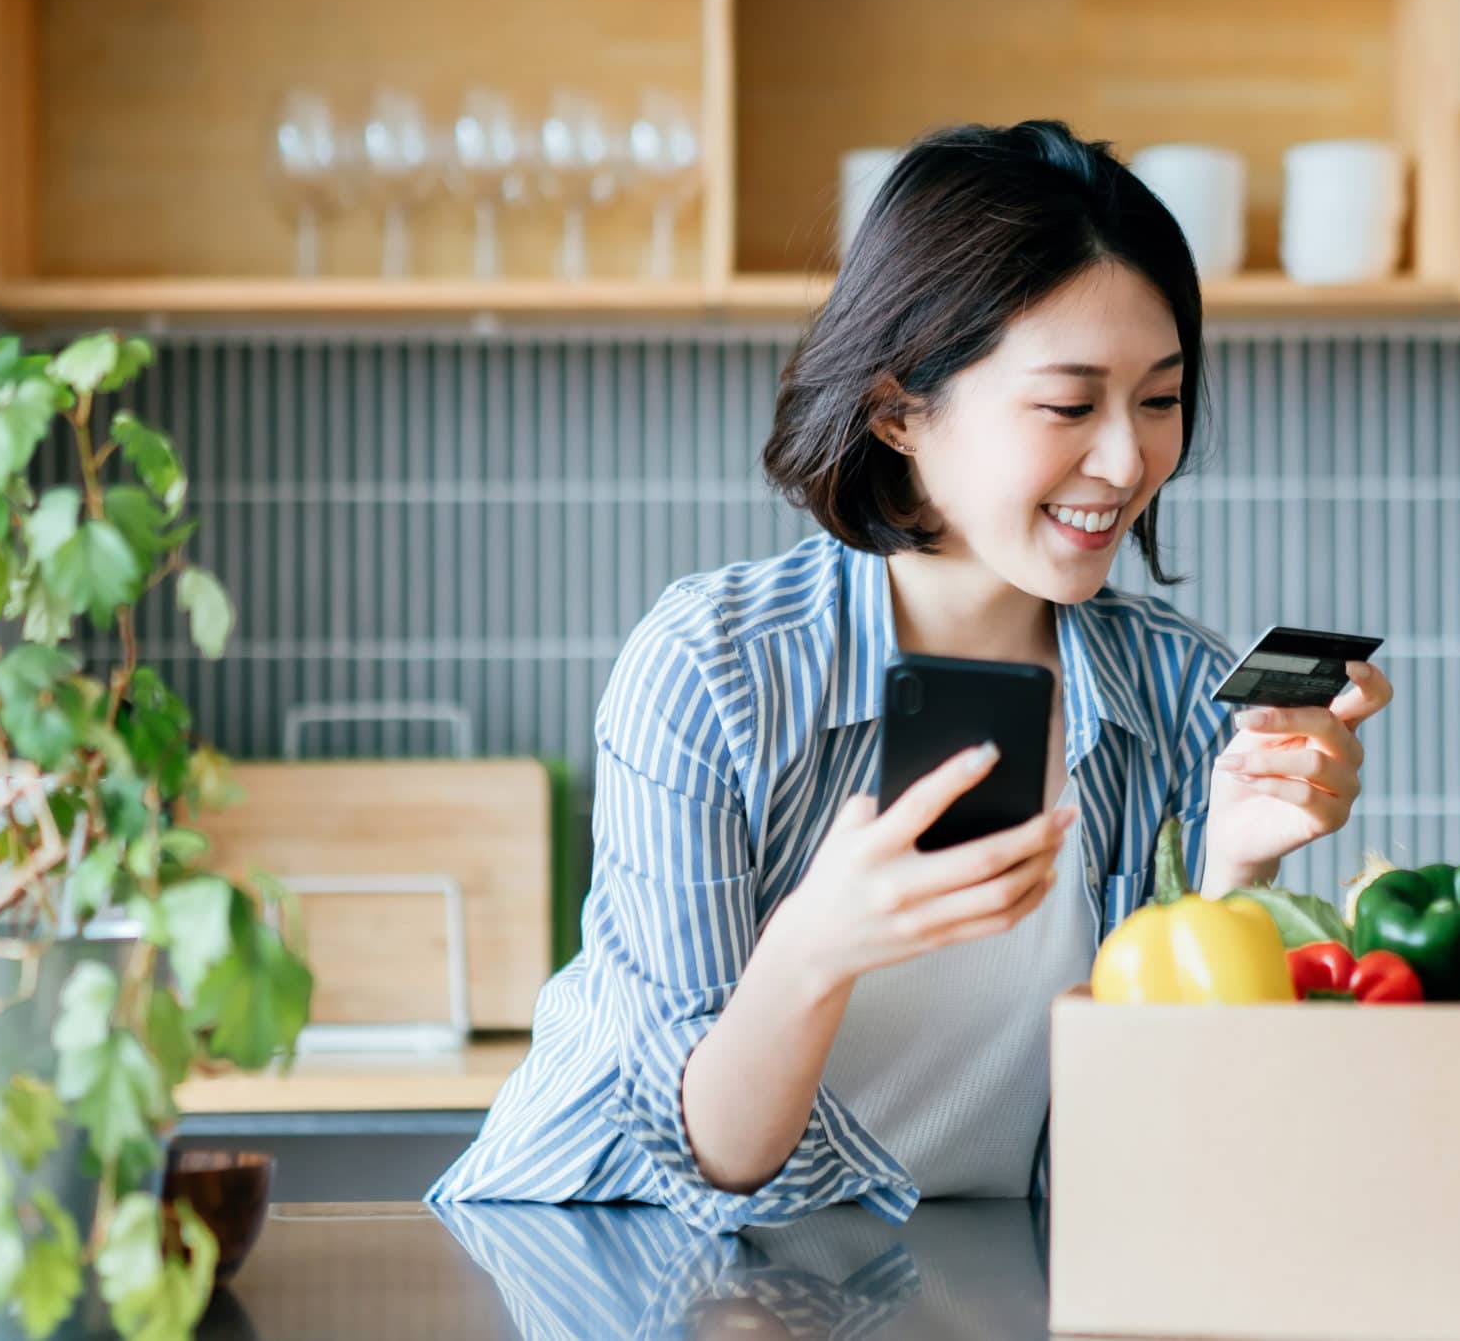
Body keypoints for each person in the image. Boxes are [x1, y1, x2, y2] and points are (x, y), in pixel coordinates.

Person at [428, 120, 1393, 1232]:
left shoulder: (1181, 694)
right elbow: (710, 1161)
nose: (1128, 460)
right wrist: (816, 945)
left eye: (1160, 400)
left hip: (963, 1280)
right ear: (899, 409)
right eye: (1069, 404)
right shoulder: (714, 670)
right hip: (615, 1259)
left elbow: (1168, 1143)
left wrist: (1233, 875)